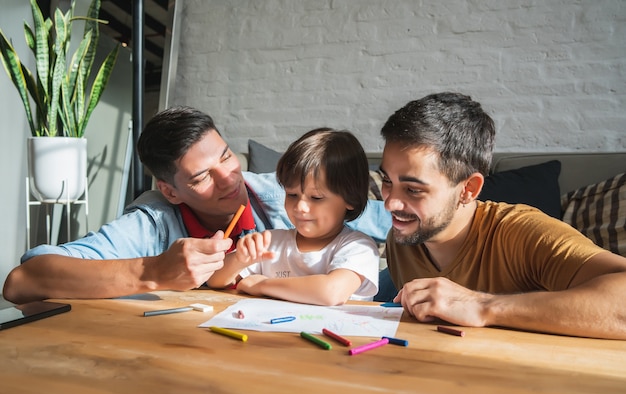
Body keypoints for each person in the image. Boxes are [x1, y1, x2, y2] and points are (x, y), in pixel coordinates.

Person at [3, 106, 390, 304]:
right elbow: (23, 281)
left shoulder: (282, 191)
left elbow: (397, 223)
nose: (229, 179)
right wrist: (151, 271)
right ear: (171, 190)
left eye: (225, 156)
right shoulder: (154, 219)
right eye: (201, 177)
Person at [379, 92, 626, 339]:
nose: (390, 203)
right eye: (387, 181)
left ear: (468, 189)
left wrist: (483, 306)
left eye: (413, 190)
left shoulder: (522, 234)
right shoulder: (403, 235)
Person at [207, 128, 380, 305]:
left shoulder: (359, 247)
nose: (300, 207)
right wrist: (238, 260)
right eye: (292, 195)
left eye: (316, 198)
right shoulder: (272, 242)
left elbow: (330, 293)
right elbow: (215, 280)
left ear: (350, 198)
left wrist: (263, 285)